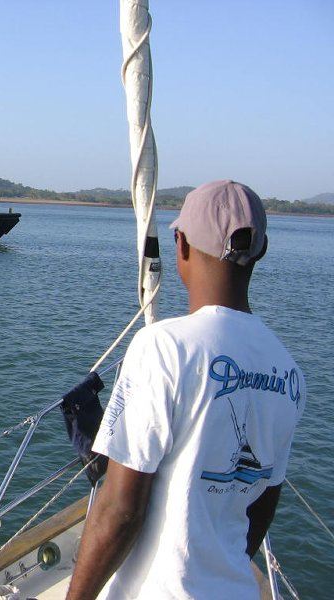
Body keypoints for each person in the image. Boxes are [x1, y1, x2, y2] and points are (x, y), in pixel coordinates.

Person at [66, 180, 306, 600]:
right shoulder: (289, 372)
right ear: (261, 251)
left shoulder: (164, 346)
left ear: (181, 245)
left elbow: (120, 509)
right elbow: (262, 506)